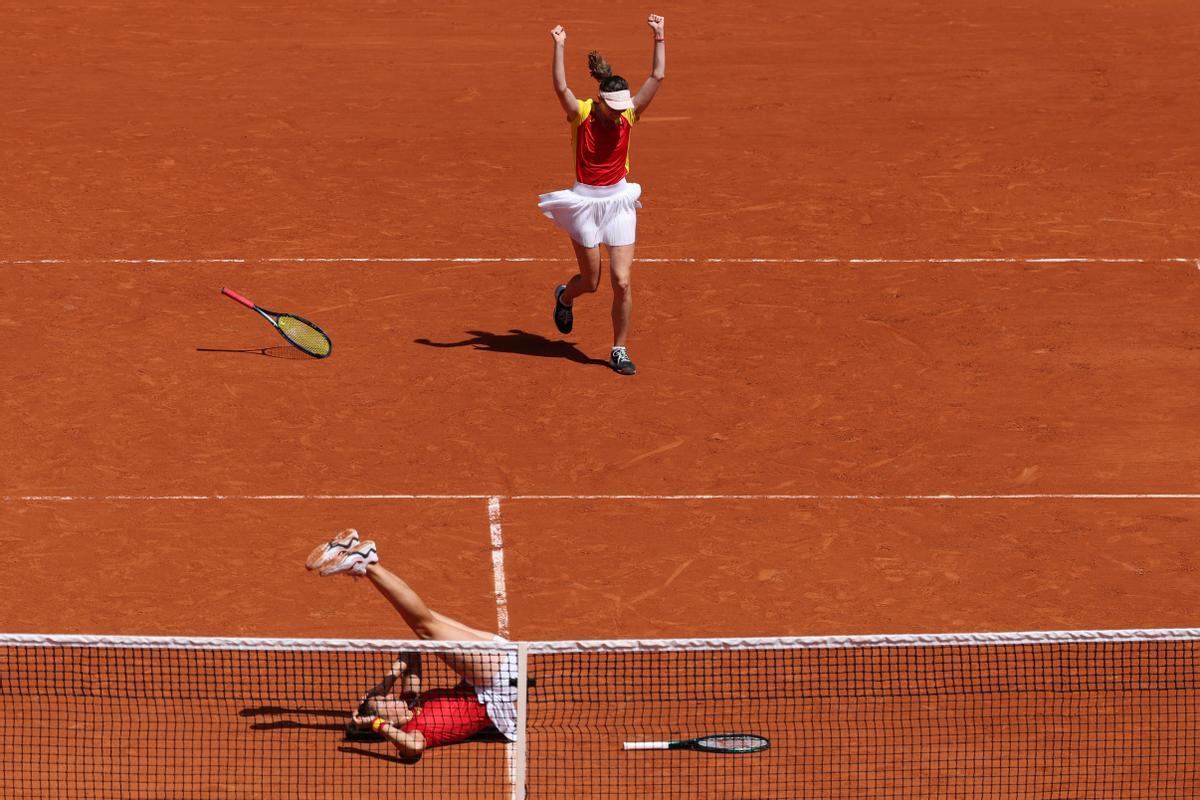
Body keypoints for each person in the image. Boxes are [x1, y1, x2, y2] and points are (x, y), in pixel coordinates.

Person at [305, 530, 517, 759]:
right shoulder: (414, 729)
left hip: (485, 673)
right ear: (387, 720)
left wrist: (385, 683)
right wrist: (375, 724)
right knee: (425, 626)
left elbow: (411, 651)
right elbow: (413, 749)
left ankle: (364, 563)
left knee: (425, 617)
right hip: (497, 685)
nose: (390, 698)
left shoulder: (409, 699)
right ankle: (367, 564)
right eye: (386, 702)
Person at [541, 14, 666, 376]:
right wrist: (559, 46)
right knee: (591, 282)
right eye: (613, 108)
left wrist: (659, 37)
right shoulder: (581, 114)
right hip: (584, 204)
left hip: (619, 202)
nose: (619, 113)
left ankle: (619, 349)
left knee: (622, 281)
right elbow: (560, 88)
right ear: (601, 101)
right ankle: (565, 296)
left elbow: (657, 77)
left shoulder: (629, 114)